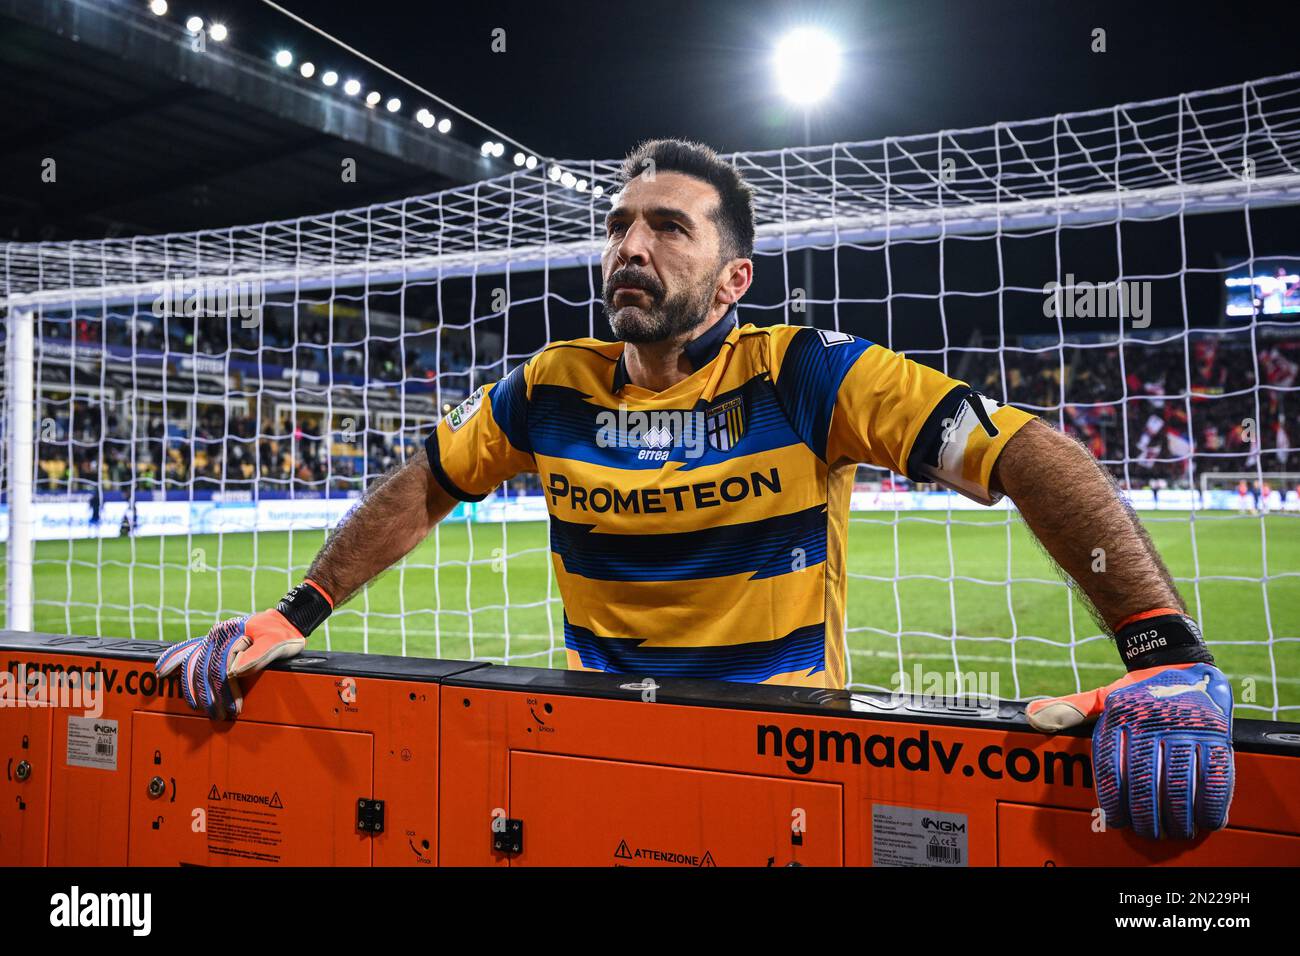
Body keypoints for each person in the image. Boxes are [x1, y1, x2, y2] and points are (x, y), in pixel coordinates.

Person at [158, 140, 1233, 840]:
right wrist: (297, 609)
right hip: (595, 758)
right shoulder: (548, 388)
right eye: (620, 224)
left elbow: (1028, 452)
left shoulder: (807, 371)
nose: (631, 243)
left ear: (733, 280)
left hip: (789, 769)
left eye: (668, 226)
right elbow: (425, 483)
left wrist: (1162, 649)